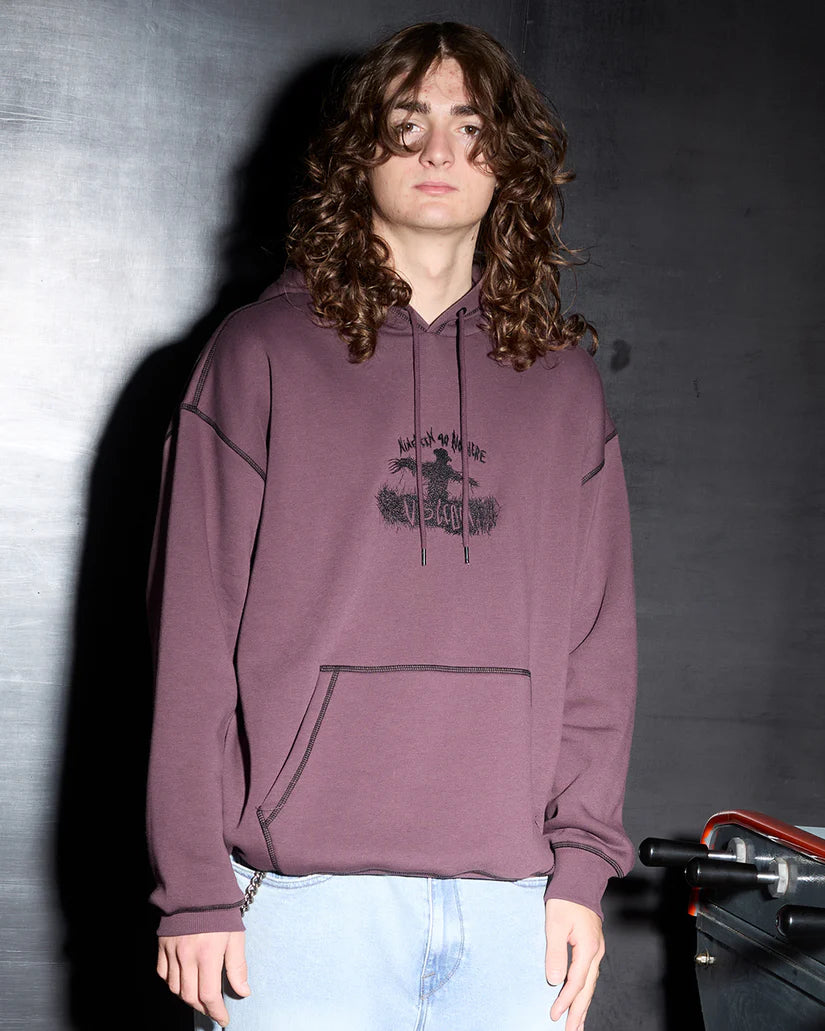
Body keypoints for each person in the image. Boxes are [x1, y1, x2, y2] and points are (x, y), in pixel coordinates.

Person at [146, 20, 637, 1031]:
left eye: (470, 124)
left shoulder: (562, 385)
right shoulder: (260, 354)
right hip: (300, 908)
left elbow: (599, 648)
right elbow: (191, 636)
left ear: (508, 160)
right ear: (357, 150)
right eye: (407, 122)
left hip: (517, 914)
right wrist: (193, 883)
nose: (439, 149)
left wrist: (582, 869)